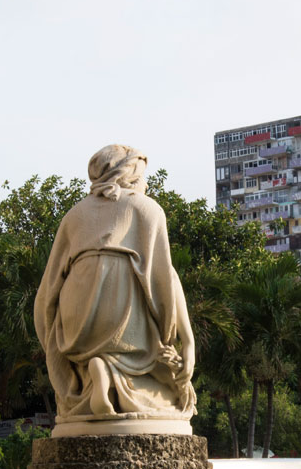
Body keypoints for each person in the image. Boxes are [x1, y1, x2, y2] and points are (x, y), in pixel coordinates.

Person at [35, 144, 197, 429]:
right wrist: (174, 337)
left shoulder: (74, 216)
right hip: (123, 319)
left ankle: (97, 373)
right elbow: (161, 281)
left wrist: (50, 335)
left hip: (78, 320)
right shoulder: (148, 209)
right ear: (130, 175)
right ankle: (116, 372)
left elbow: (49, 288)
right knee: (164, 391)